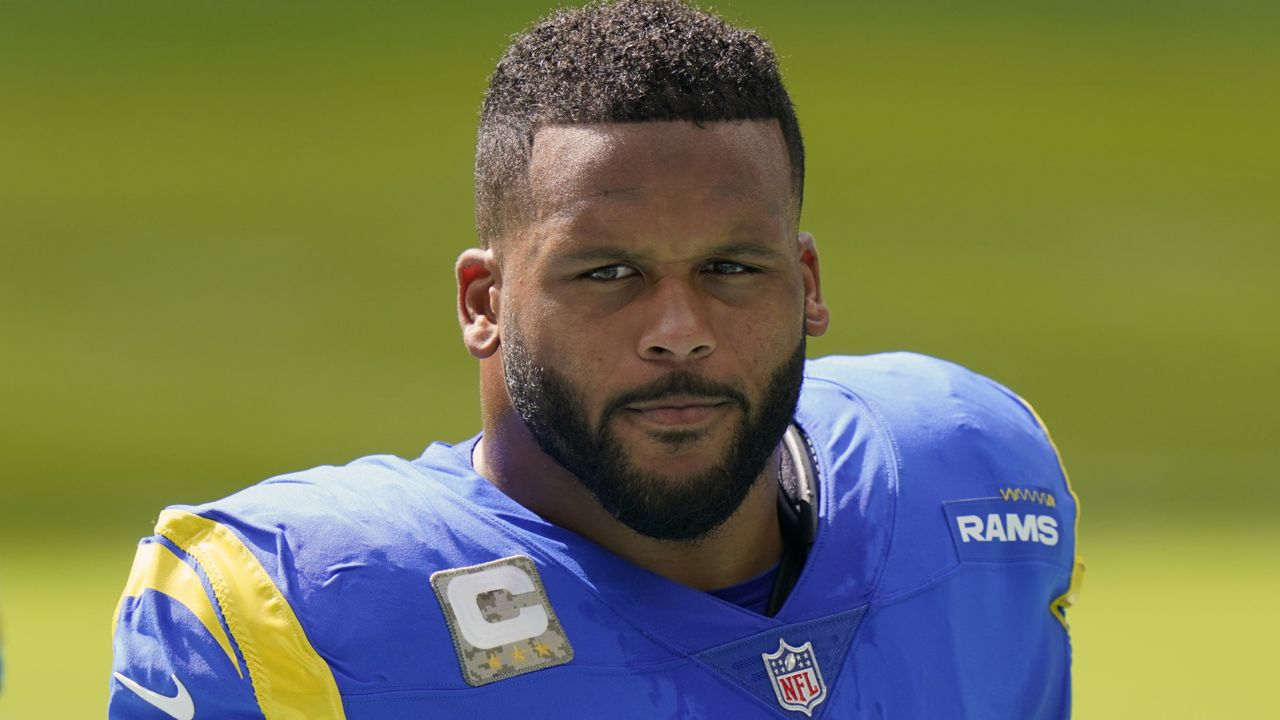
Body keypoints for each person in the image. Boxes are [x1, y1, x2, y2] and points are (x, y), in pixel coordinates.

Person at [109, 1, 1082, 717]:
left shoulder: (970, 479)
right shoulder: (302, 607)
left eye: (729, 267)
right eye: (606, 272)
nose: (676, 327)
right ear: (484, 303)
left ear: (806, 283)